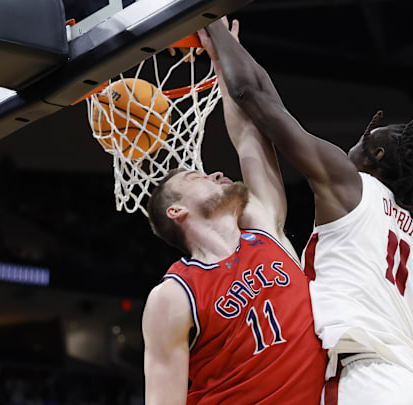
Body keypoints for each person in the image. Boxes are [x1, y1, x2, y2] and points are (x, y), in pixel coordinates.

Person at [199, 18, 413, 405]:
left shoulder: (352, 186)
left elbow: (252, 94)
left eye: (362, 140)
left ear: (375, 154)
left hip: (359, 380)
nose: (352, 146)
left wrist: (214, 24)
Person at [141, 19, 325, 405]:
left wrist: (223, 55)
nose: (216, 174)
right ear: (176, 210)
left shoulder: (264, 229)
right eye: (197, 175)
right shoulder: (173, 296)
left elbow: (248, 139)